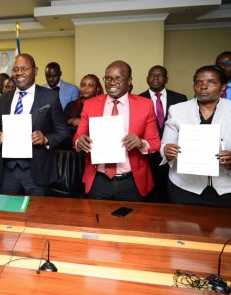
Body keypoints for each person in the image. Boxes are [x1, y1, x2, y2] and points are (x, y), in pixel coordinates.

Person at [74, 60, 160, 201]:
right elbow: (77, 137)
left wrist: (141, 143)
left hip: (132, 181)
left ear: (129, 80)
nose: (112, 82)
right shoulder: (90, 104)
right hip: (98, 179)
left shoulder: (145, 105)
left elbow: (155, 143)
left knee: (131, 222)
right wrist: (79, 142)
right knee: (96, 221)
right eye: (108, 78)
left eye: (118, 78)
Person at [0, 53, 69, 196]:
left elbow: (63, 131)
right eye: (15, 69)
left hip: (37, 172)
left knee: (37, 215)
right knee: (7, 214)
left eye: (24, 68)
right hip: (8, 171)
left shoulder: (50, 97)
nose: (19, 73)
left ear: (35, 71)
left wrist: (46, 139)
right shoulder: (3, 99)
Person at [161, 65, 231, 207]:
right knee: (181, 227)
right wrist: (167, 151)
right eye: (198, 82)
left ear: (223, 87)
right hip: (184, 187)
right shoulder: (177, 110)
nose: (203, 87)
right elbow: (164, 145)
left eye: (211, 82)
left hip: (225, 188)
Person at [139, 65, 187, 202]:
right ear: (147, 78)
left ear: (166, 79)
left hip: (172, 154)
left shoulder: (180, 98)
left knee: (169, 193)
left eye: (160, 75)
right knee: (149, 193)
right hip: (147, 155)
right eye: (152, 75)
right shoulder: (138, 99)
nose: (155, 78)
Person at [64, 74, 104, 139]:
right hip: (70, 142)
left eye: (90, 85)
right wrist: (71, 120)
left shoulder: (103, 105)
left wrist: (84, 123)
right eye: (83, 85)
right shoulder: (71, 105)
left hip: (94, 141)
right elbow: (60, 123)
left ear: (97, 89)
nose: (86, 88)